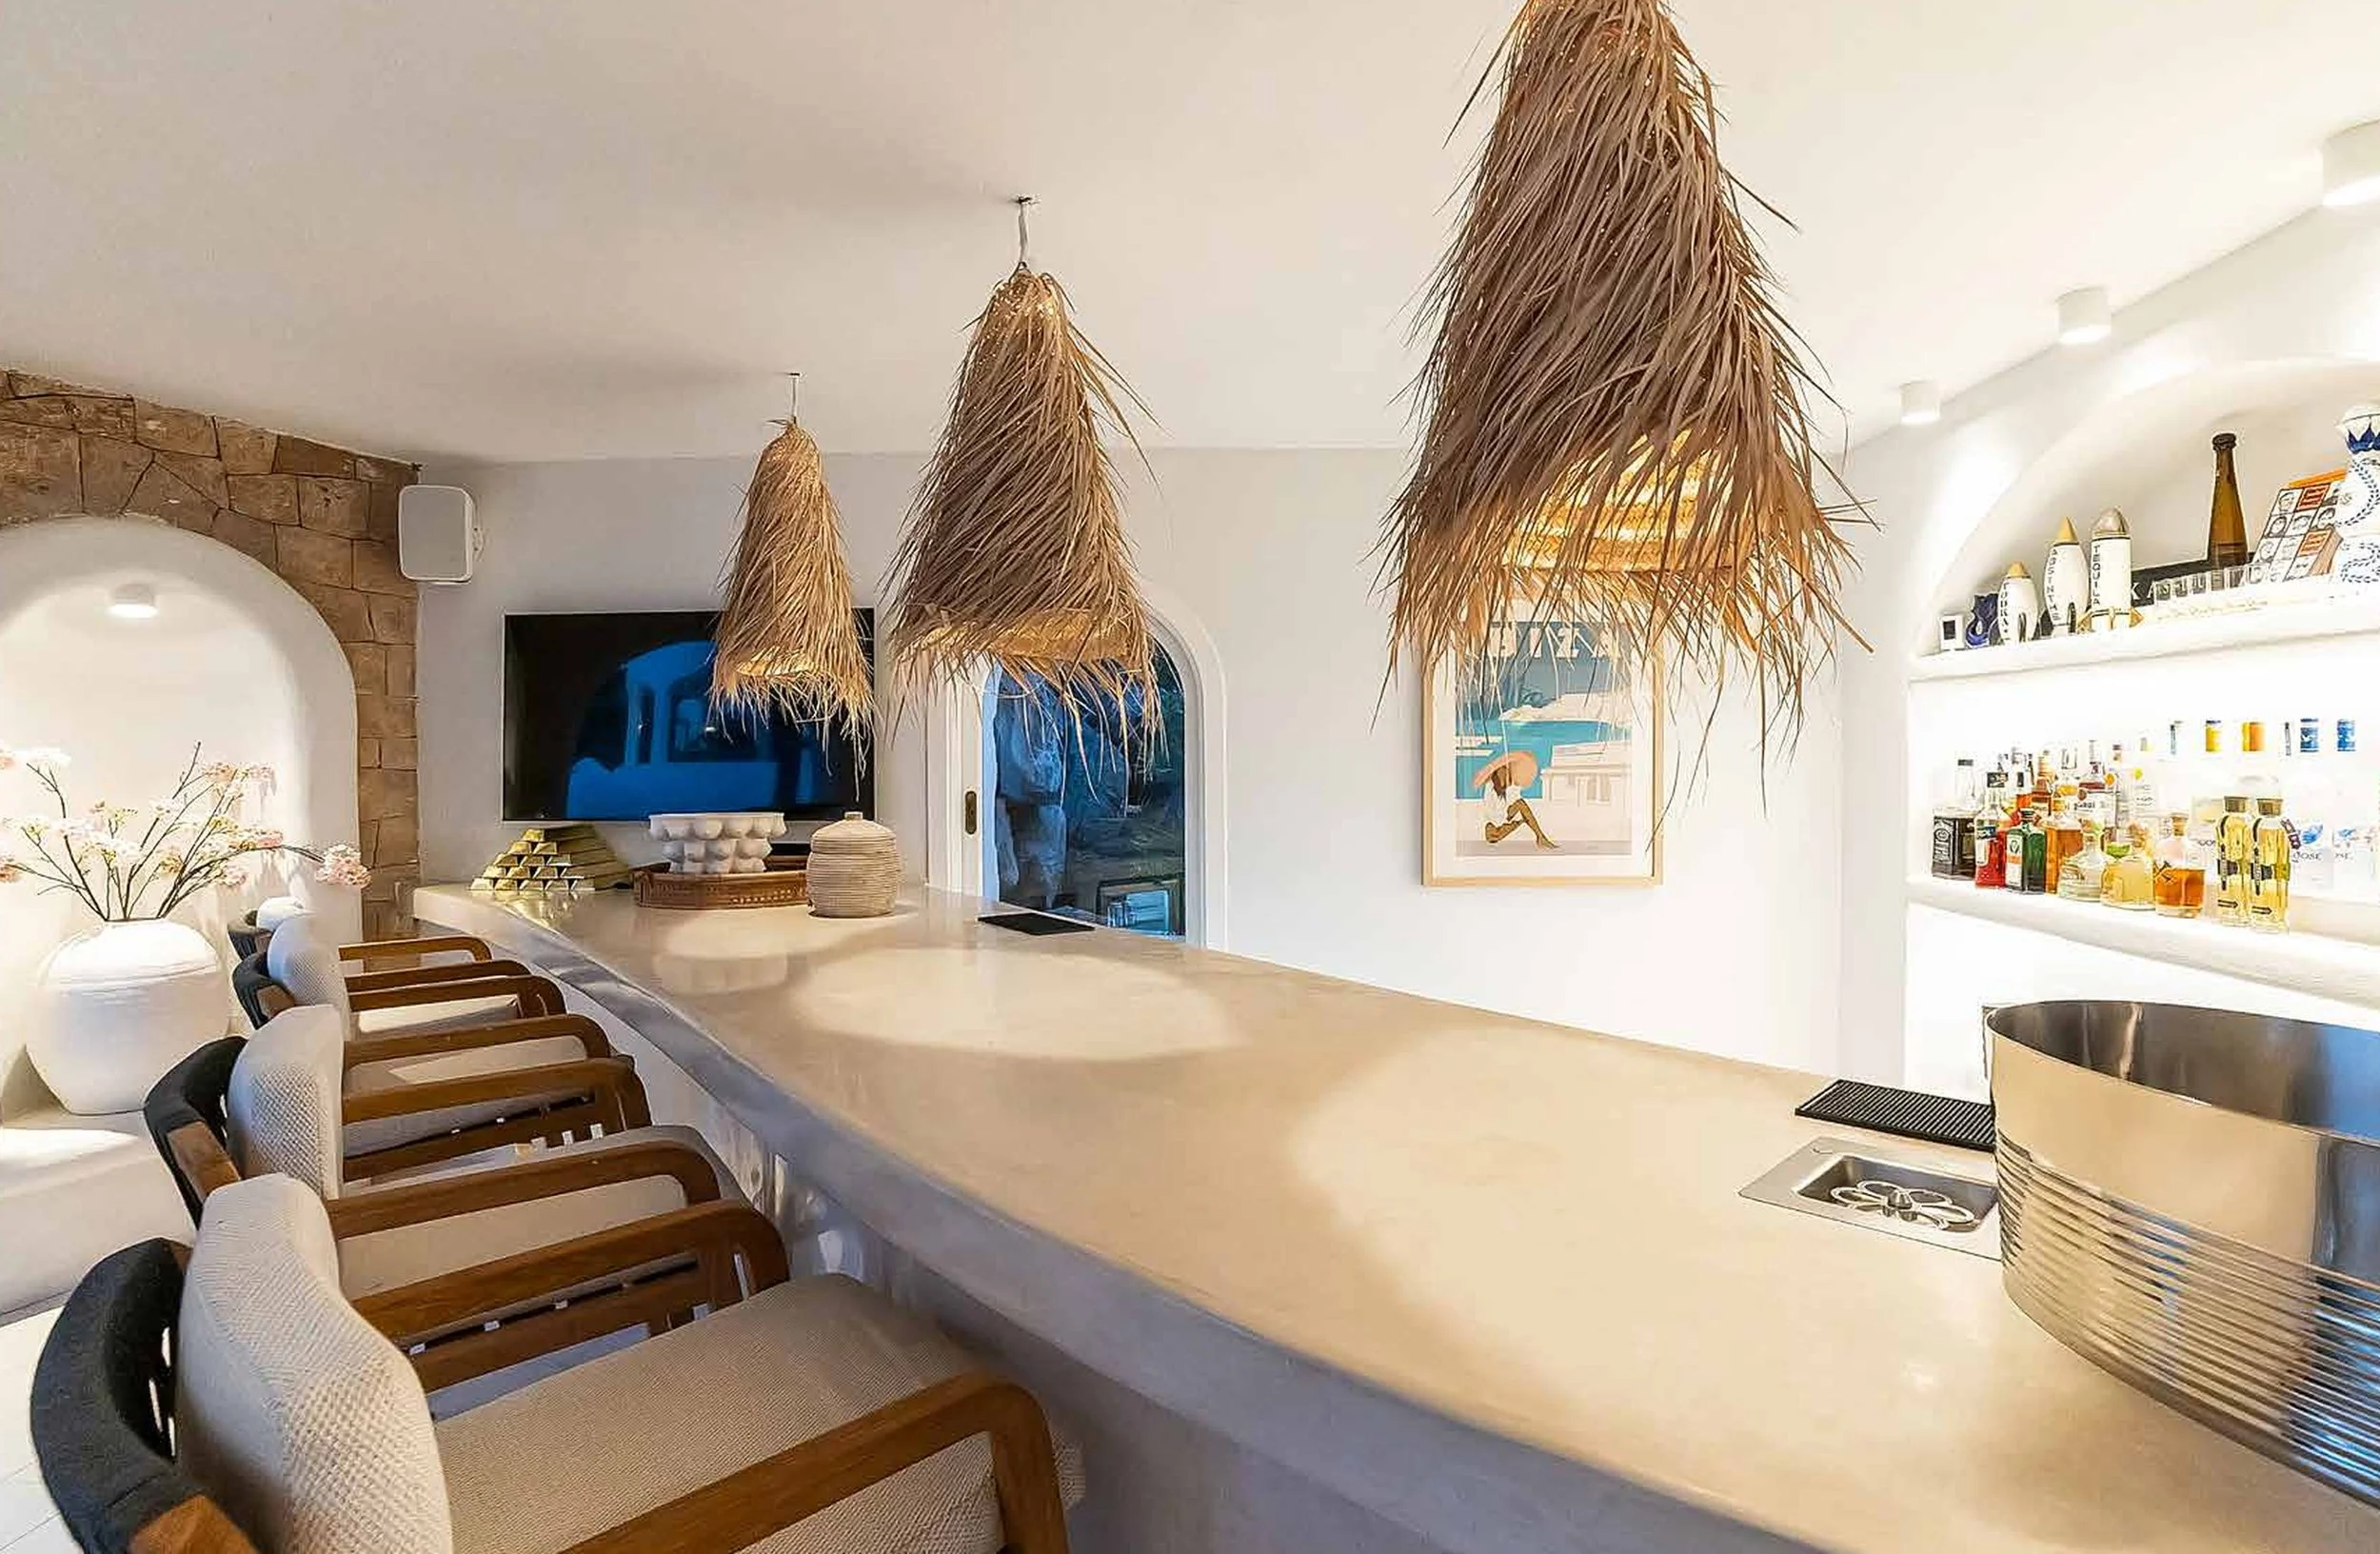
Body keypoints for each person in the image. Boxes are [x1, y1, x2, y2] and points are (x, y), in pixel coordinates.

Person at [1482, 767, 1557, 849]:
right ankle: (1540, 837)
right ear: (1496, 776)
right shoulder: (1490, 787)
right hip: (1495, 824)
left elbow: (1514, 800)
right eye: (1502, 775)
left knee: (1521, 805)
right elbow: (1492, 812)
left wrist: (1512, 817)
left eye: (1506, 775)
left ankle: (1540, 837)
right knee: (1521, 809)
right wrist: (1513, 820)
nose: (1505, 777)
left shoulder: (1509, 788)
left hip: (1504, 818)